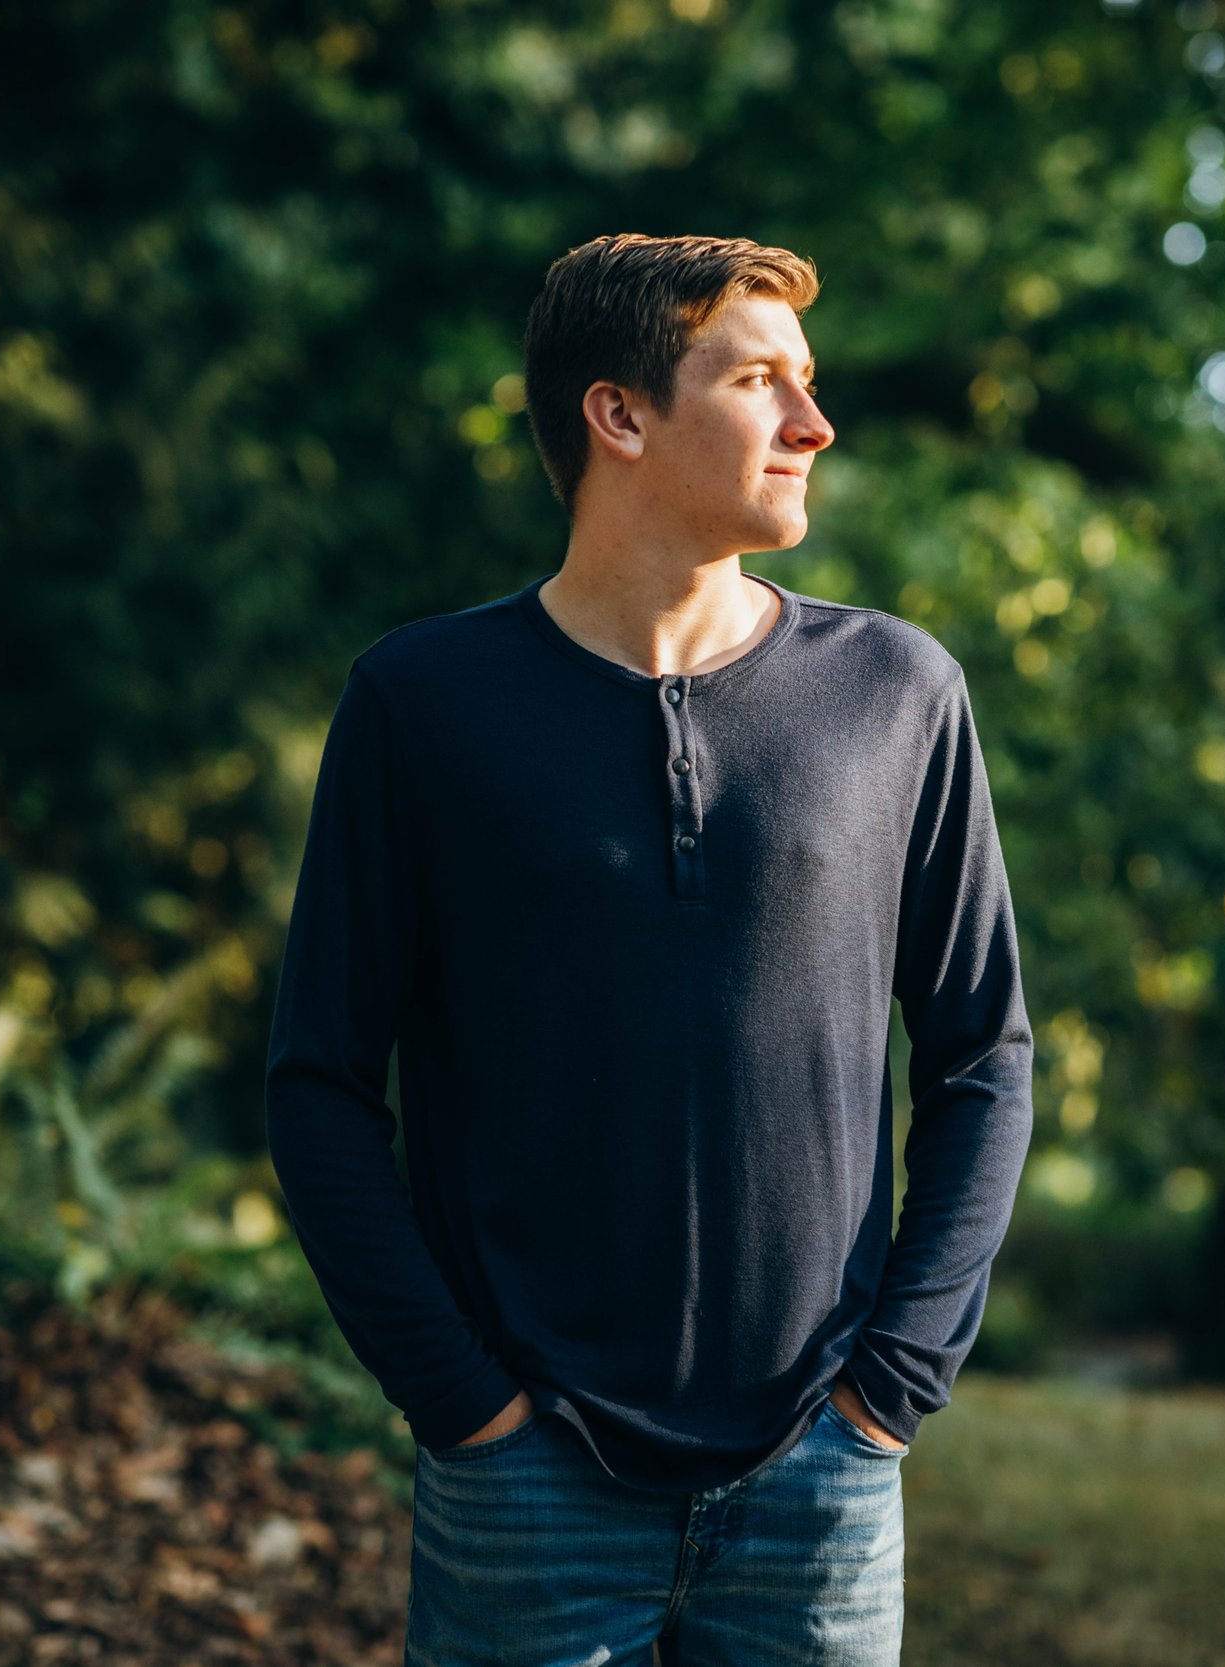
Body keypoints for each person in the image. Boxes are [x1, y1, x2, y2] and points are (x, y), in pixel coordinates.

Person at [264, 232, 1035, 1665]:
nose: (814, 424)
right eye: (759, 381)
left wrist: (890, 1395)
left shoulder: (899, 693)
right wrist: (464, 1406)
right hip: (525, 1484)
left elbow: (984, 1057)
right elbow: (316, 1085)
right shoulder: (422, 704)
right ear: (617, 415)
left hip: (821, 1482)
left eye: (809, 382)